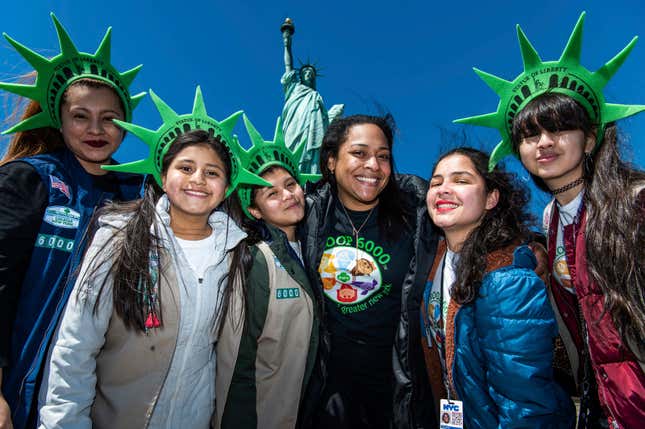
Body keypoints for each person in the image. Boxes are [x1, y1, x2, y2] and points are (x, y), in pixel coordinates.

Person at [37, 87, 269, 429]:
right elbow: (75, 346)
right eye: (186, 167)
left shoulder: (237, 255)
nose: (198, 181)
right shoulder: (118, 236)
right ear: (163, 176)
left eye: (212, 172)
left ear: (227, 186)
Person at [456, 12, 645, 428]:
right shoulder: (551, 219)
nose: (543, 142)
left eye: (559, 128)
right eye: (529, 134)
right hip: (602, 402)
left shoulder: (637, 202)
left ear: (590, 137)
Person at [0, 14, 144, 429]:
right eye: (81, 116)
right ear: (59, 120)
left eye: (110, 118)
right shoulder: (30, 177)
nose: (96, 129)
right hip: (22, 388)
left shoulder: (141, 195)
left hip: (99, 401)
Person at [421, 147, 575, 428]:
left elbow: (526, 407)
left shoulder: (508, 279)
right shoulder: (435, 261)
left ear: (491, 198)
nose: (444, 189)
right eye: (436, 182)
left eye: (461, 180)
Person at [301, 114, 439, 428]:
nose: (373, 166)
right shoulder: (307, 214)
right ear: (332, 161)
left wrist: (530, 248)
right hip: (327, 385)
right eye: (360, 153)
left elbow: (471, 226)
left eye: (383, 156)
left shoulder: (417, 214)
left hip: (399, 383)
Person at [216, 115, 321, 429]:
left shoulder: (312, 255)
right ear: (255, 210)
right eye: (272, 193)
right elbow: (238, 359)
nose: (287, 195)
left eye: (290, 185)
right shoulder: (255, 259)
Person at [280, 18, 343, 175]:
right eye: (305, 72)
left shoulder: (316, 97)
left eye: (311, 73)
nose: (308, 73)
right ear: (300, 76)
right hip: (294, 127)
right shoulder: (294, 87)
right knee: (291, 156)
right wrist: (287, 44)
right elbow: (288, 65)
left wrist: (333, 115)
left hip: (313, 132)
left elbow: (324, 123)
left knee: (314, 158)